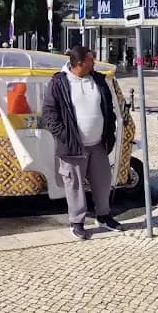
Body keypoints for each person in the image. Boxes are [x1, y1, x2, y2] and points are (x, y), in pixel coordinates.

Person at [42, 46, 124, 240]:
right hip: (73, 146)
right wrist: (64, 135)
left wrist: (109, 132)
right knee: (75, 186)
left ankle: (103, 216)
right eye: (90, 60)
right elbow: (49, 113)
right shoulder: (59, 82)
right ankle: (77, 222)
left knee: (103, 182)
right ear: (79, 64)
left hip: (98, 144)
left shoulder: (98, 80)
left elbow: (108, 109)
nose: (94, 63)